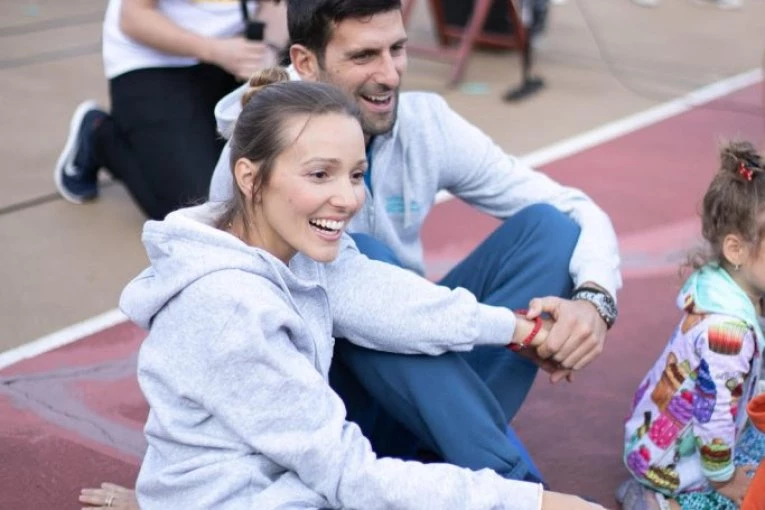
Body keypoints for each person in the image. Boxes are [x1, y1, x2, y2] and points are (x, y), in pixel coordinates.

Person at [96, 67, 605, 510]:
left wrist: (522, 331)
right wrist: (531, 501)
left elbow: (401, 308)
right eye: (320, 174)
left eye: (356, 175)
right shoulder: (232, 309)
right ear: (249, 179)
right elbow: (350, 476)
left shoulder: (293, 249)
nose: (346, 199)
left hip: (301, 482)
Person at [209, 0, 620, 480]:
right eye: (364, 56)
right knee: (366, 265)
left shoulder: (424, 123)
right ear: (305, 62)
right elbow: (364, 305)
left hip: (415, 368)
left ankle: (444, 459)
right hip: (318, 404)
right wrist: (518, 330)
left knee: (552, 232)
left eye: (397, 49)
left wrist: (595, 300)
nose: (389, 75)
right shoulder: (258, 157)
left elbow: (574, 207)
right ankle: (504, 480)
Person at [616, 141, 765, 510]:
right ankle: (660, 502)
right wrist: (726, 480)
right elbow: (713, 416)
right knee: (744, 500)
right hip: (671, 459)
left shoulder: (732, 286)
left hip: (667, 435)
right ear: (736, 250)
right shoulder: (727, 333)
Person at [53, 0, 288, 220]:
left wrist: (268, 48)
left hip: (239, 49)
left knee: (267, 182)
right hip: (154, 61)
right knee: (198, 211)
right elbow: (134, 17)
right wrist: (216, 50)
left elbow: (276, 6)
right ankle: (98, 135)